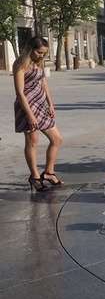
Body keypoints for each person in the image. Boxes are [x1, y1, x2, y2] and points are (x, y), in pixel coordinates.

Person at [13, 37, 64, 191]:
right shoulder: (20, 64)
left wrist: (50, 104)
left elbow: (44, 83)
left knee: (57, 139)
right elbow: (20, 92)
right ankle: (34, 177)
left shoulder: (38, 62)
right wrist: (29, 115)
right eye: (39, 52)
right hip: (27, 106)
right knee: (32, 142)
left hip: (41, 105)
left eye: (44, 53)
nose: (42, 55)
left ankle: (48, 172)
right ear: (30, 49)